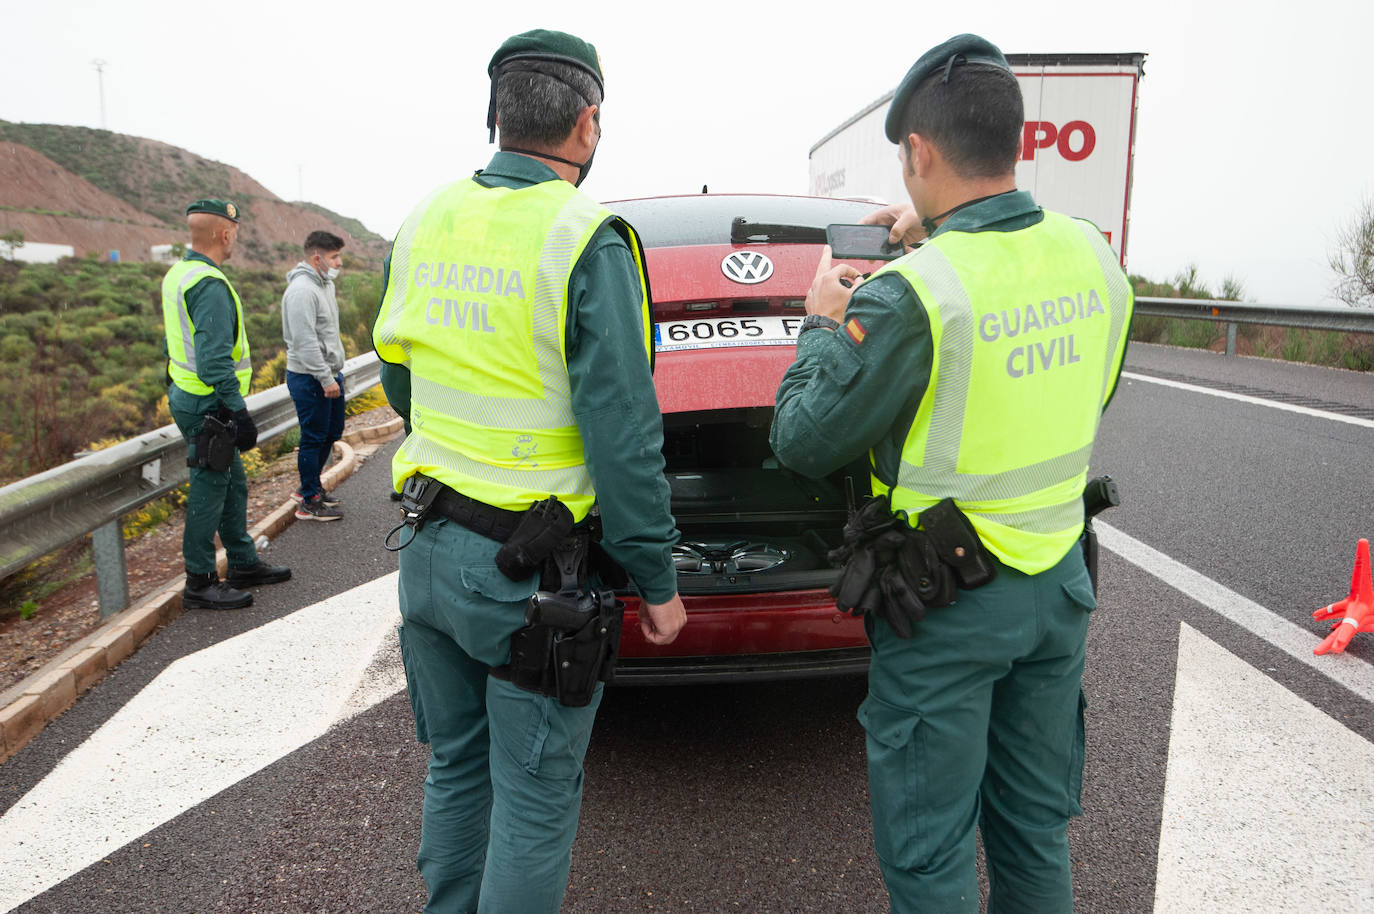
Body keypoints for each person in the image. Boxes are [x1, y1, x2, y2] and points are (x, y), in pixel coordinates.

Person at [769, 35, 1134, 913]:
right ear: (1016, 144)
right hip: (1058, 587)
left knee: (931, 859)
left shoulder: (916, 292)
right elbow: (1093, 388)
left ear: (919, 153)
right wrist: (932, 233)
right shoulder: (1094, 257)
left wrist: (823, 326)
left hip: (948, 605)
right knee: (1034, 834)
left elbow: (803, 439)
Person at [371, 29, 686, 914]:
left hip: (428, 549)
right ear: (589, 124)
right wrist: (656, 576)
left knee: (459, 768)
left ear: (495, 116)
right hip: (531, 580)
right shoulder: (587, 239)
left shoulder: (424, 220)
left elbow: (403, 377)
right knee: (536, 798)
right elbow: (624, 431)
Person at [162, 198, 291, 610]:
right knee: (209, 490)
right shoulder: (209, 284)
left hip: (193, 396)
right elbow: (215, 361)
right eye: (234, 232)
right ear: (225, 233)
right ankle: (199, 580)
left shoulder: (180, 273)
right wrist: (237, 411)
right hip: (209, 405)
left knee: (232, 483)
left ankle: (242, 562)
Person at [282, 230, 347, 521]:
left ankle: (309, 486)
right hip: (311, 378)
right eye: (334, 257)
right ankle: (308, 500)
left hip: (329, 373)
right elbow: (304, 341)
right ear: (316, 257)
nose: (339, 263)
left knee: (331, 432)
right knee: (313, 437)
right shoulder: (302, 292)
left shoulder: (323, 286)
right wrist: (325, 379)